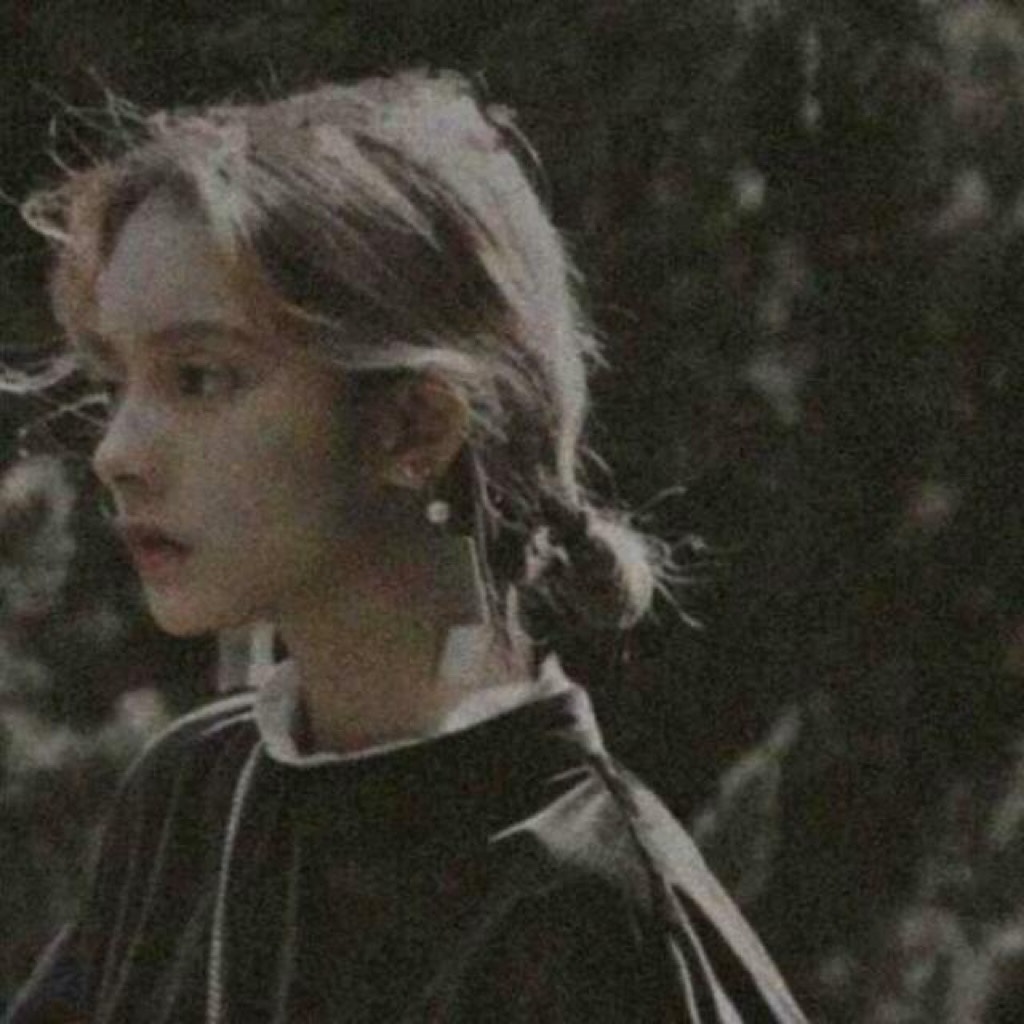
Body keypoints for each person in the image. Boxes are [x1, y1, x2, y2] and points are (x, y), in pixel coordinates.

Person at [3, 69, 807, 1023]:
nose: (116, 454)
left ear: (413, 428)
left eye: (201, 378)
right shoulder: (194, 798)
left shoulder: (588, 914)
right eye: (115, 384)